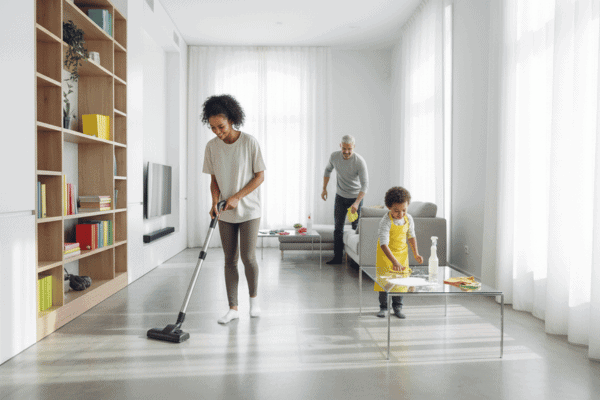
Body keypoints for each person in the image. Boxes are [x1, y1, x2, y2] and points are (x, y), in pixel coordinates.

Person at [201, 94, 266, 324]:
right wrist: (214, 202)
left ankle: (254, 302)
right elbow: (214, 180)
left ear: (232, 119)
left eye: (222, 126)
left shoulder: (249, 142)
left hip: (249, 210)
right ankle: (233, 308)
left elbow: (260, 177)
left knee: (248, 257)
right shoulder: (212, 147)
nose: (218, 132)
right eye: (213, 128)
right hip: (225, 211)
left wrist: (238, 196)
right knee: (230, 259)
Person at [375, 186, 423, 318]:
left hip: (401, 254)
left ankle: (398, 307)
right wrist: (393, 261)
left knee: (401, 282)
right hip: (386, 255)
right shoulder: (385, 222)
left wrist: (416, 253)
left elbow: (411, 236)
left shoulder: (409, 219)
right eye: (396, 211)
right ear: (389, 207)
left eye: (404, 210)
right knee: (385, 282)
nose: (401, 214)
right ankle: (383, 307)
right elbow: (384, 243)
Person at [322, 135, 369, 264]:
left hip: (355, 198)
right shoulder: (334, 157)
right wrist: (324, 188)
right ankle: (337, 258)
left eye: (349, 149)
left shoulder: (359, 161)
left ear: (353, 147)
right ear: (340, 146)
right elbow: (327, 171)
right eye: (344, 148)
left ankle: (355, 260)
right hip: (340, 198)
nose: (346, 152)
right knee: (338, 228)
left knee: (356, 228)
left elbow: (365, 185)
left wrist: (357, 203)